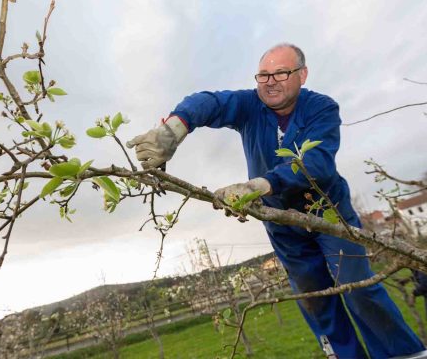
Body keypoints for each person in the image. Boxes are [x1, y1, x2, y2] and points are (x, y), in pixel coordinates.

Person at [126, 43, 427, 358]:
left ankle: (402, 354)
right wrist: (173, 130)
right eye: (263, 75)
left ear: (302, 74)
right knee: (313, 299)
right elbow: (209, 102)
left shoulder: (322, 108)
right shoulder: (249, 105)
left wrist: (259, 185)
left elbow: (318, 163)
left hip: (328, 213)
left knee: (357, 287)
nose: (270, 81)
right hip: (281, 222)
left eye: (281, 73)